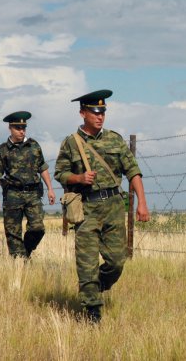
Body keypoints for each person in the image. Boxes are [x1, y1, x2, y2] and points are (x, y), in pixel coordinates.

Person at [54, 89, 149, 324]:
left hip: (114, 206)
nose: (100, 116)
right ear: (82, 113)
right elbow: (60, 173)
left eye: (103, 112)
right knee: (86, 263)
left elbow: (133, 171)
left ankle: (96, 288)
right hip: (86, 207)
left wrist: (142, 203)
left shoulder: (114, 139)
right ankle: (92, 312)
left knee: (117, 261)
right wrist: (79, 179)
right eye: (95, 112)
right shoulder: (70, 143)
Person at [0, 111, 56, 258]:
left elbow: (43, 168)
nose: (21, 131)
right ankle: (19, 263)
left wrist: (50, 189)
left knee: (38, 228)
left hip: (33, 193)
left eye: (23, 128)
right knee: (13, 232)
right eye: (18, 128)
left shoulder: (34, 146)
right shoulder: (3, 150)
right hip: (12, 194)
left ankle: (25, 251)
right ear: (10, 128)